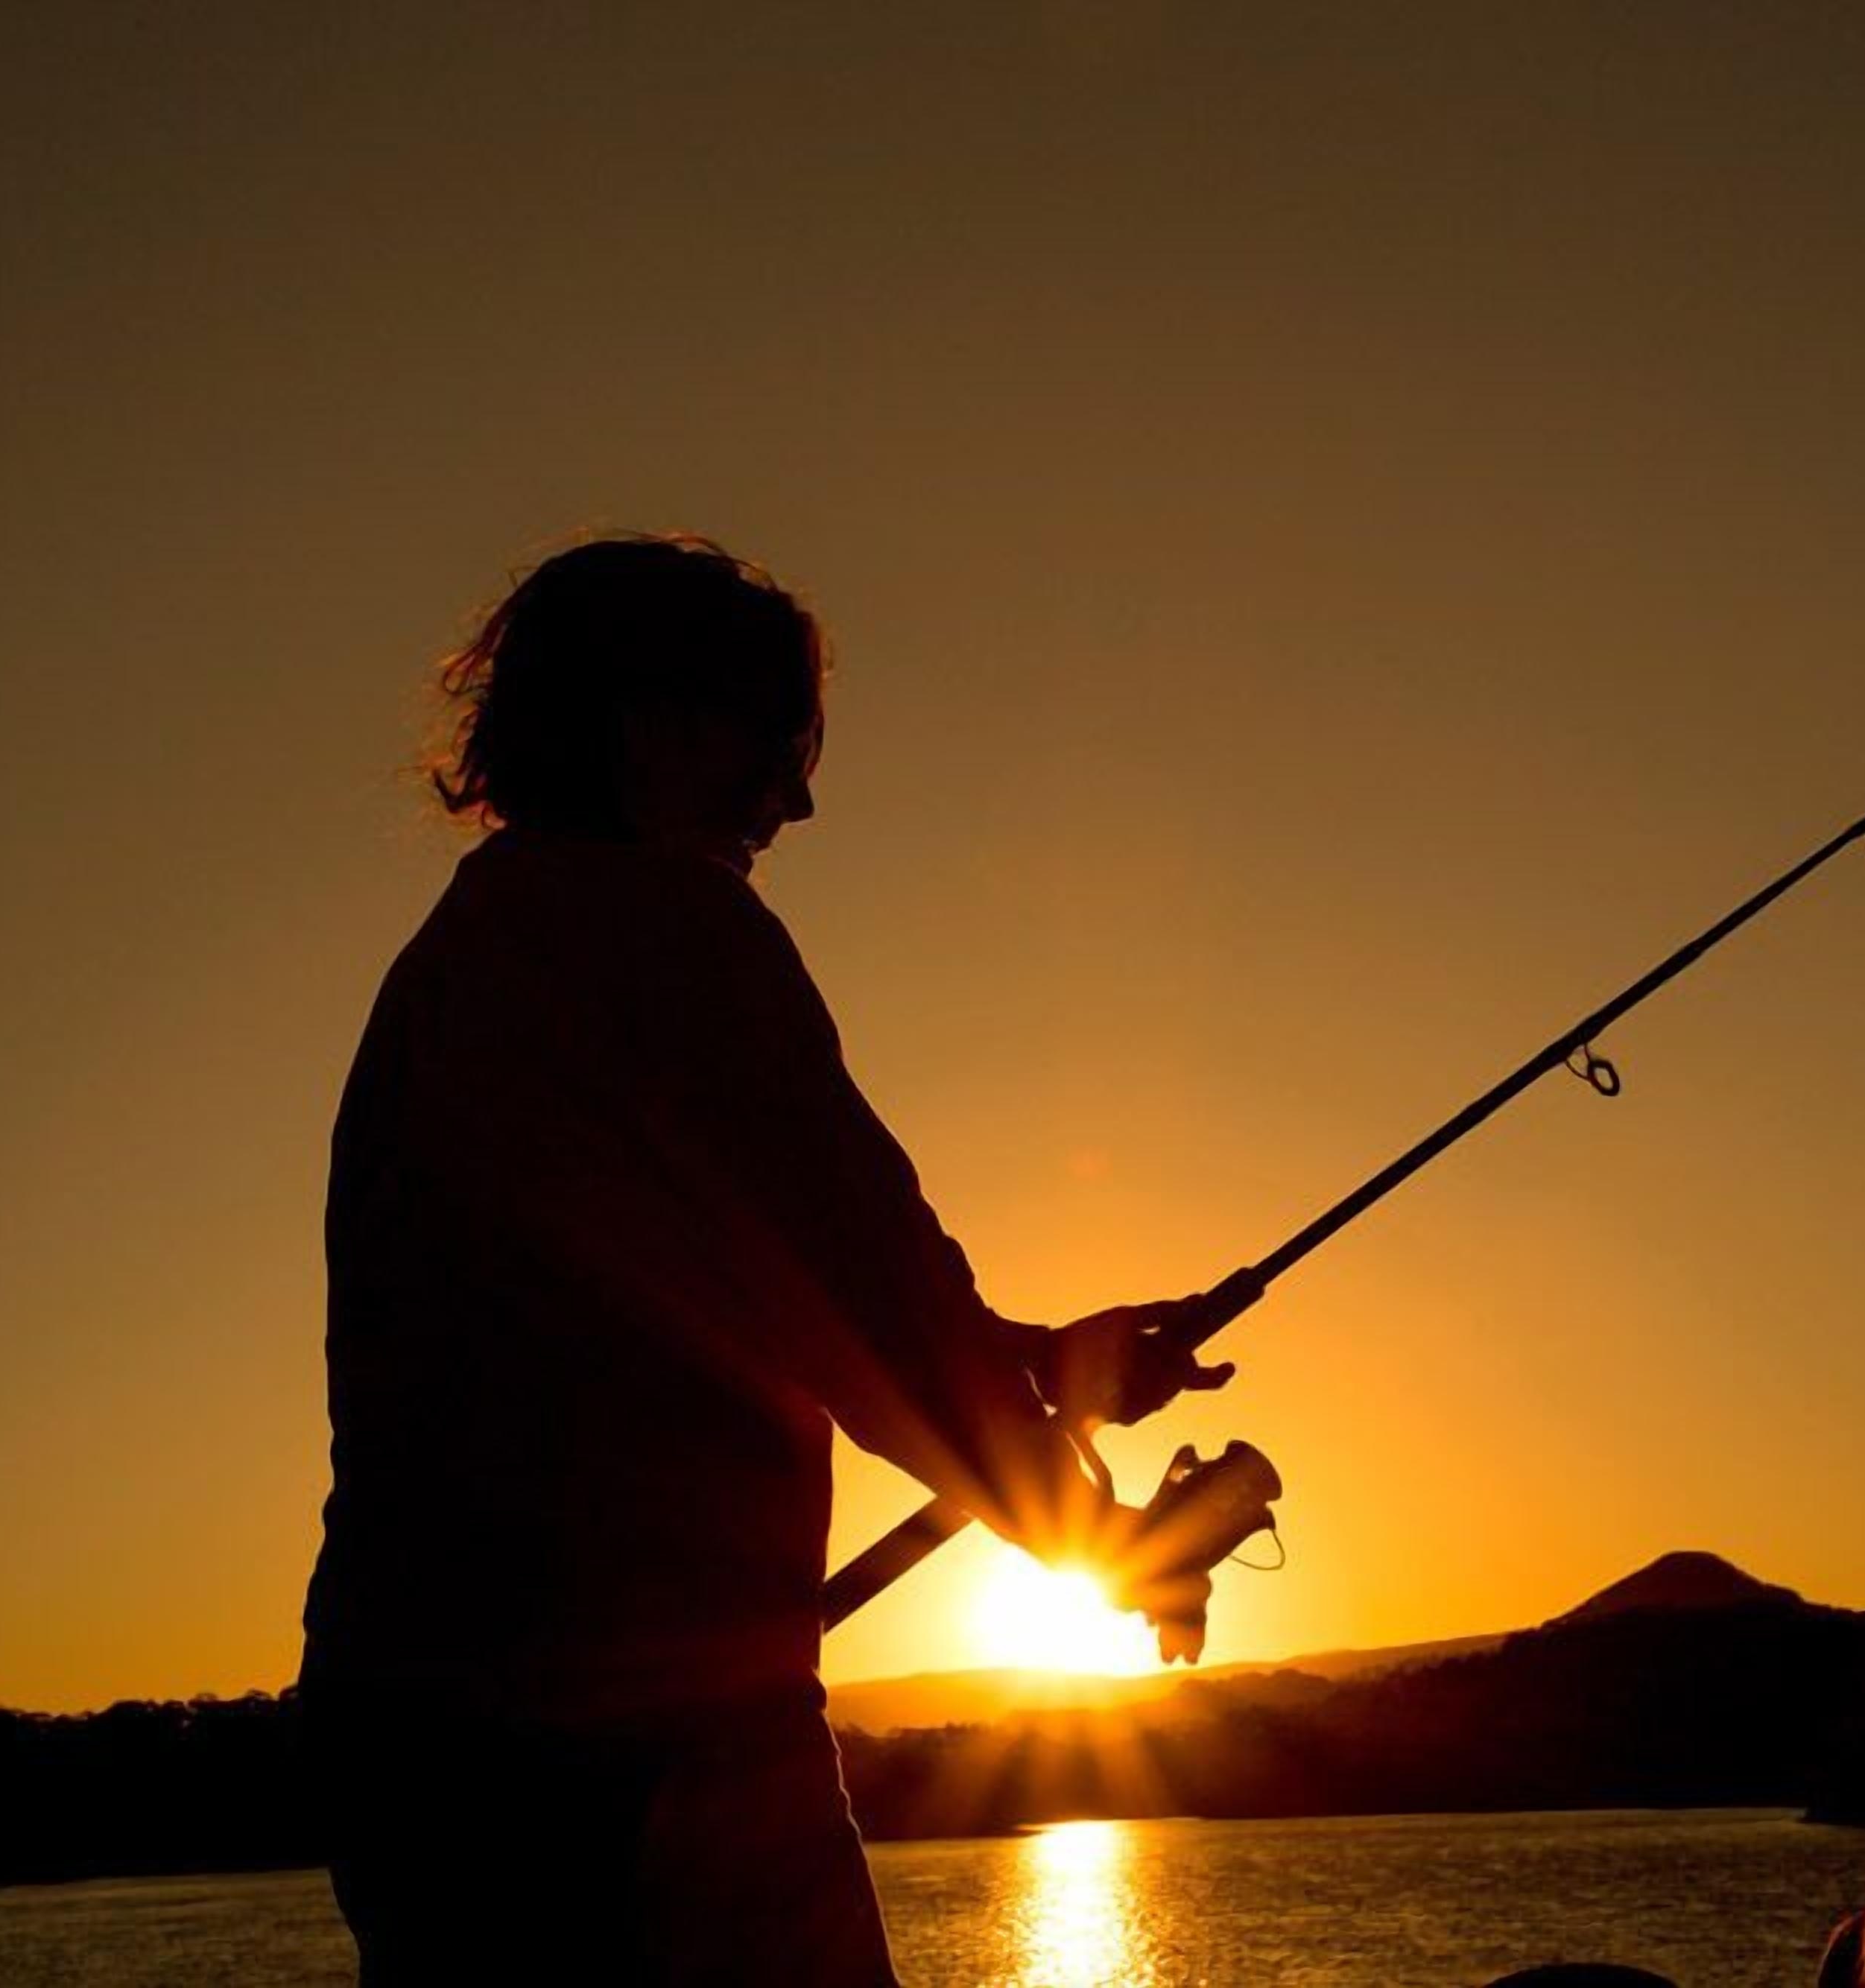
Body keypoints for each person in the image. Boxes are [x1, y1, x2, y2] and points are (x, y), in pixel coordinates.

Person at [298, 534, 1238, 1984]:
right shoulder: (665, 929)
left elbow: (724, 1299)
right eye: (778, 743)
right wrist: (1110, 1545)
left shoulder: (460, 957)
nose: (796, 796)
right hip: (632, 1753)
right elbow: (878, 1316)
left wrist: (1059, 1368)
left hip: (415, 1732)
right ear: (655, 724)